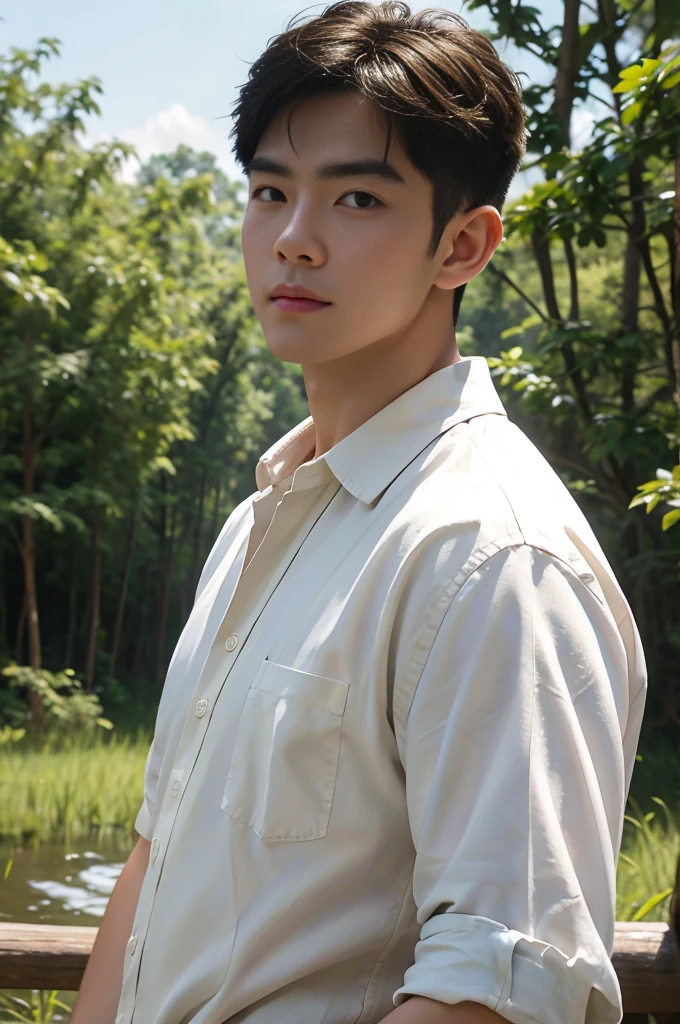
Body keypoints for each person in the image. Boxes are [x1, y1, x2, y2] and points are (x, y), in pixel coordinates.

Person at [70, 3, 647, 1023]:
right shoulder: (256, 525)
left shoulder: (489, 552)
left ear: (461, 245)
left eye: (357, 201)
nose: (292, 239)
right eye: (267, 191)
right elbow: (152, 865)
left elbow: (502, 982)